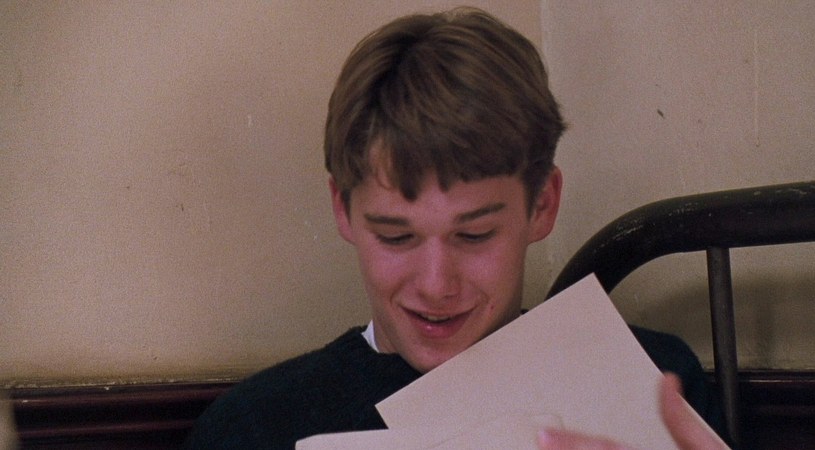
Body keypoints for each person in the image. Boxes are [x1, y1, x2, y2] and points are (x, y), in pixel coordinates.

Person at [185, 7, 728, 449]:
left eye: (474, 235)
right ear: (342, 210)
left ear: (542, 205)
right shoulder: (251, 429)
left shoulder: (652, 381)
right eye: (396, 237)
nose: (436, 285)